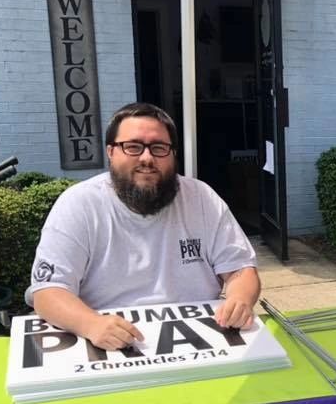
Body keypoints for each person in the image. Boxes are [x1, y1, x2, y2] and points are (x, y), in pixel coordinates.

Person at [26, 102, 261, 350]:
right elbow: (48, 292)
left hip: (202, 341)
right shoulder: (78, 204)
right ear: (110, 151)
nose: (147, 158)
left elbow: (241, 269)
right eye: (133, 147)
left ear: (172, 154)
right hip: (106, 345)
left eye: (159, 148)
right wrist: (91, 324)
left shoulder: (202, 198)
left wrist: (239, 299)